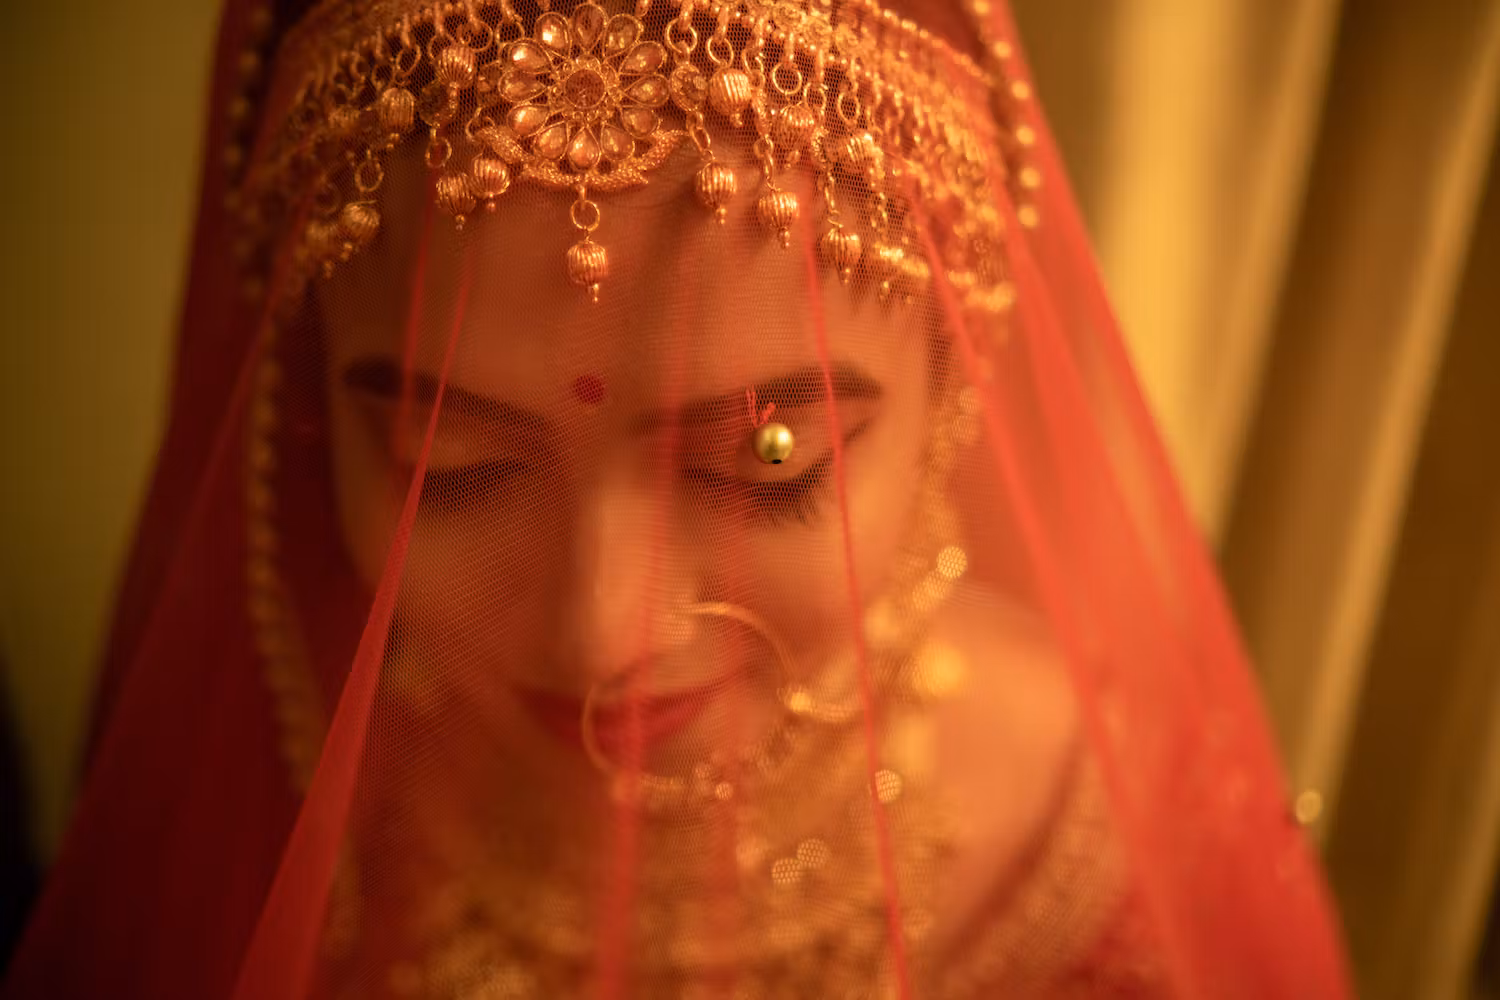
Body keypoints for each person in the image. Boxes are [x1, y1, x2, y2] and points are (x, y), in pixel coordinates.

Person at [3, 0, 1353, 997]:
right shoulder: (264, 782)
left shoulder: (1107, 851)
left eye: (767, 457)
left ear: (956, 373)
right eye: (449, 468)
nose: (605, 634)